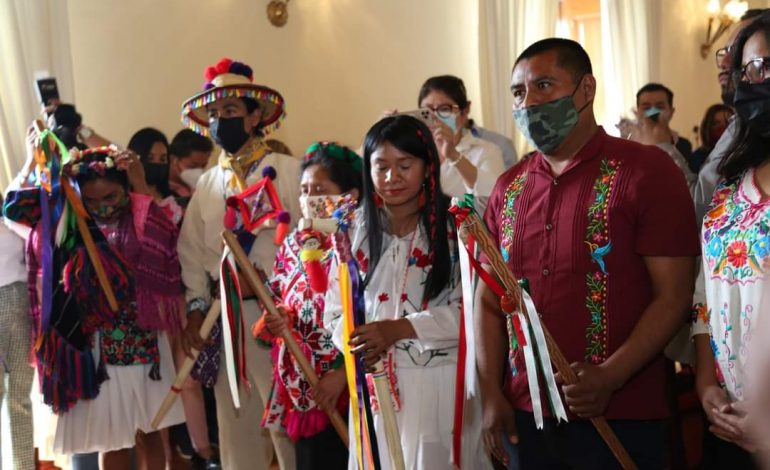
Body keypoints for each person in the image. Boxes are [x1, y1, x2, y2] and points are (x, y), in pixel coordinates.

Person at [476, 38, 699, 468]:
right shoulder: (509, 188)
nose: (530, 102)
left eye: (544, 85)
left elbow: (674, 295)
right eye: (518, 92)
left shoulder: (647, 171)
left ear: (586, 89)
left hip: (622, 412)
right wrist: (491, 393)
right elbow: (488, 299)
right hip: (528, 414)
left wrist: (610, 374)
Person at [4, 145, 186, 470]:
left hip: (144, 345)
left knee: (151, 432)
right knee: (111, 439)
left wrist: (141, 184)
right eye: (91, 200)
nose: (101, 206)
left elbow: (165, 240)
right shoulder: (70, 226)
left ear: (125, 192)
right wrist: (50, 178)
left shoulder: (142, 216)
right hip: (97, 349)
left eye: (111, 198)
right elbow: (15, 212)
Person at [177, 57, 300, 470]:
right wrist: (195, 309)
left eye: (229, 112)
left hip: (280, 318)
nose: (218, 121)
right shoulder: (207, 184)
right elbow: (192, 253)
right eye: (212, 114)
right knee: (235, 424)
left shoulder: (289, 171)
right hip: (225, 320)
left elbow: (307, 241)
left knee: (287, 423)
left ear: (255, 116)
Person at [324, 115, 463, 469]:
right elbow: (335, 310)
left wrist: (401, 328)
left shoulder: (456, 228)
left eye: (405, 165)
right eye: (381, 167)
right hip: (374, 385)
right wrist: (358, 343)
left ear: (428, 166)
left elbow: (473, 312)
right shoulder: (353, 230)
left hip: (438, 386)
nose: (392, 177)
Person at [691, 13, 770, 468]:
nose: (757, 81)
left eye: (769, 67)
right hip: (730, 425)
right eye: (749, 70)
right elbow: (705, 295)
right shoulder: (727, 192)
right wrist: (706, 384)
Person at [257, 142, 362, 469]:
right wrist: (275, 322)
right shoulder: (291, 243)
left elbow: (370, 311)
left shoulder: (359, 241)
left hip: (350, 382)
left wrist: (343, 372)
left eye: (320, 188)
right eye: (304, 189)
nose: (309, 196)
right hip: (304, 383)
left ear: (350, 194)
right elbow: (277, 299)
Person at [695, 9, 767, 222]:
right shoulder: (743, 139)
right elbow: (705, 212)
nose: (727, 61)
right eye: (744, 70)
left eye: (759, 65)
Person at [417, 75, 505, 209]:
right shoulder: (413, 152)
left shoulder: (486, 151)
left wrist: (453, 155)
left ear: (465, 111)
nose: (435, 117)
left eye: (445, 109)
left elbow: (496, 200)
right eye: (427, 111)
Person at [0, 195, 34, 470]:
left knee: (21, 397)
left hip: (23, 304)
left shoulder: (13, 222)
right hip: (14, 303)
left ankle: (22, 466)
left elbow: (37, 245)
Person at [168, 129, 214, 207]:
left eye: (203, 166)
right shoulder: (160, 191)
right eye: (193, 166)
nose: (199, 171)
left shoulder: (201, 188)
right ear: (173, 159)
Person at [691, 104, 735, 174]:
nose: (724, 126)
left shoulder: (745, 153)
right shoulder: (698, 157)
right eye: (716, 123)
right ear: (707, 127)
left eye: (728, 122)